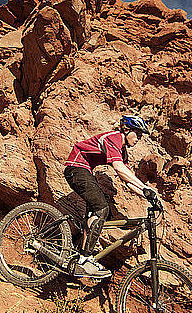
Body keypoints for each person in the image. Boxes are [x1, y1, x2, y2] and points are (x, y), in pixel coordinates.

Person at [64, 115, 158, 278]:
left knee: (94, 213)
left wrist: (146, 195)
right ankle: (84, 260)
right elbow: (119, 168)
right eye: (138, 134)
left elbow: (127, 179)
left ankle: (78, 256)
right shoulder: (114, 138)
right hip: (76, 168)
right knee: (102, 208)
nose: (139, 139)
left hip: (85, 171)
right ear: (127, 130)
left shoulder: (122, 150)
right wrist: (145, 187)